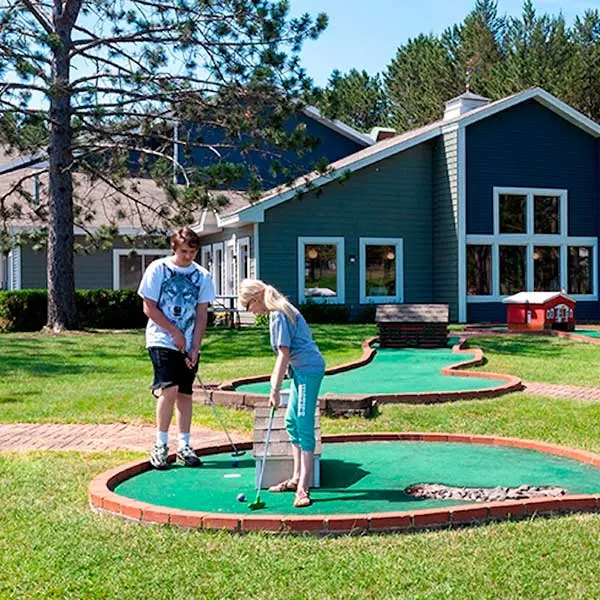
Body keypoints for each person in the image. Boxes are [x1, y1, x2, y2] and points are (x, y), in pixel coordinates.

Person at [238, 279, 325, 508]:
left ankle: (303, 489)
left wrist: (274, 389)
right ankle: (296, 478)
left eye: (249, 307)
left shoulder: (278, 314)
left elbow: (282, 355)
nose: (252, 312)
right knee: (291, 422)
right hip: (301, 370)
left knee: (304, 425)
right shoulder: (280, 310)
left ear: (255, 299)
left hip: (308, 370)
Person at [137, 227, 215, 469]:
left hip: (189, 342)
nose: (188, 256)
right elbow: (148, 307)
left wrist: (194, 347)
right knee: (168, 390)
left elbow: (202, 313)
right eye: (183, 251)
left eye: (192, 252)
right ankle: (160, 445)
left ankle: (185, 445)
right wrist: (174, 332)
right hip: (161, 339)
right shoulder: (158, 270)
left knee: (185, 393)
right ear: (173, 248)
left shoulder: (202, 276)